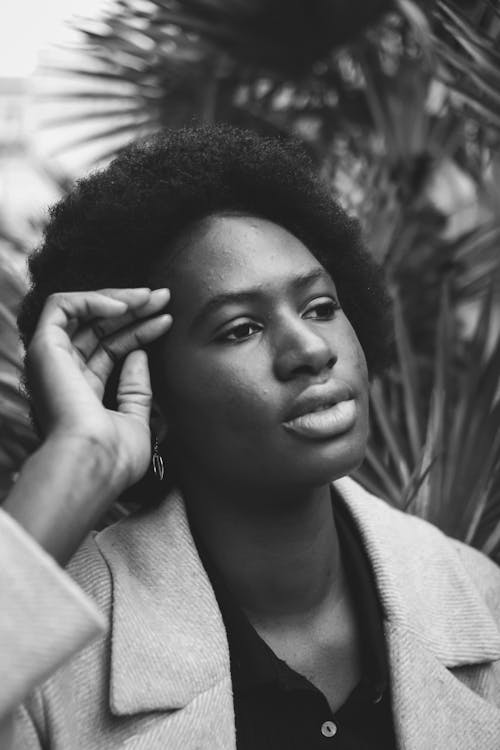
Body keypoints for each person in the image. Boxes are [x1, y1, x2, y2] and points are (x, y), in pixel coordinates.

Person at [1, 124, 500, 750]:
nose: (312, 351)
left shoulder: (480, 598)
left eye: (320, 307)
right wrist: (80, 457)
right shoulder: (48, 661)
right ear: (151, 391)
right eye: (240, 329)